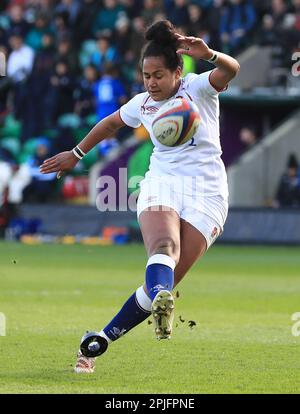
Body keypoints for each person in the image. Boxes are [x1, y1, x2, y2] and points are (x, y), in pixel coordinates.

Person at [40, 19, 240, 373]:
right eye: (146, 76)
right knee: (163, 248)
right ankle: (163, 300)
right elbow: (111, 123)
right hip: (162, 182)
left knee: (160, 284)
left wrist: (208, 53)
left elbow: (231, 68)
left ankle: (98, 340)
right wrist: (77, 153)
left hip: (208, 192)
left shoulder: (199, 88)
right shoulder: (143, 103)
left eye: (159, 75)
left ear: (178, 71)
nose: (151, 82)